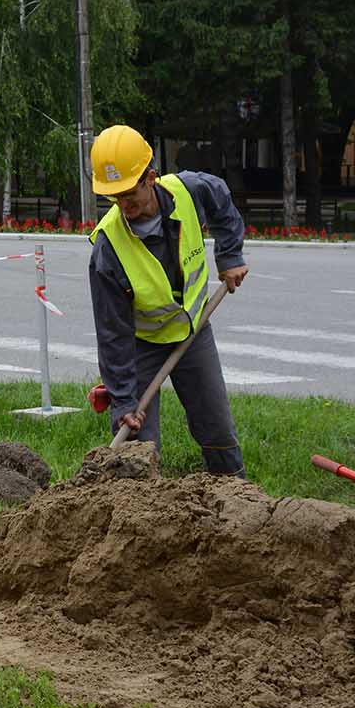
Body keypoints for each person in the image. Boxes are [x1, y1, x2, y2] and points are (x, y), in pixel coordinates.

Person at [87, 124, 250, 476]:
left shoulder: (189, 190)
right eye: (114, 198)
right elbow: (111, 332)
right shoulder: (108, 248)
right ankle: (137, 514)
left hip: (194, 331)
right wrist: (123, 400)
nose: (124, 206)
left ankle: (238, 498)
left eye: (130, 194)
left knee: (216, 426)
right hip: (140, 346)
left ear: (151, 177)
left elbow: (221, 199)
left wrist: (230, 256)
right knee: (136, 444)